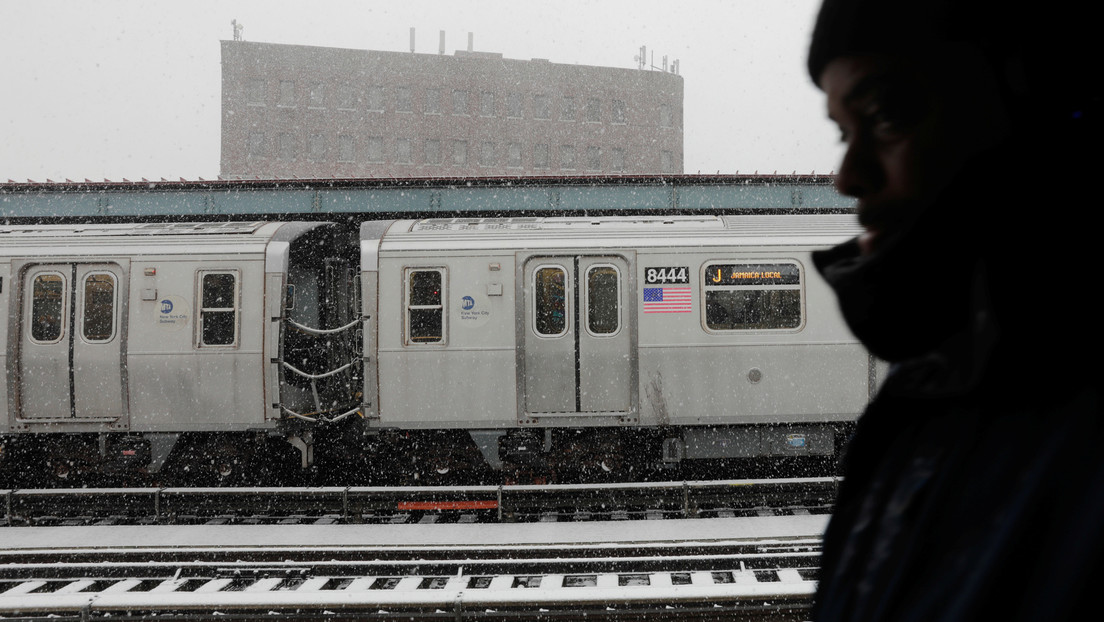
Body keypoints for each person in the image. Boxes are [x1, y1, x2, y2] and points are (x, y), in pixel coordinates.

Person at [805, 1, 1102, 620]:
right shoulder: (929, 395)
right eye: (843, 133)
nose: (847, 177)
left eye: (886, 115)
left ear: (1031, 105)